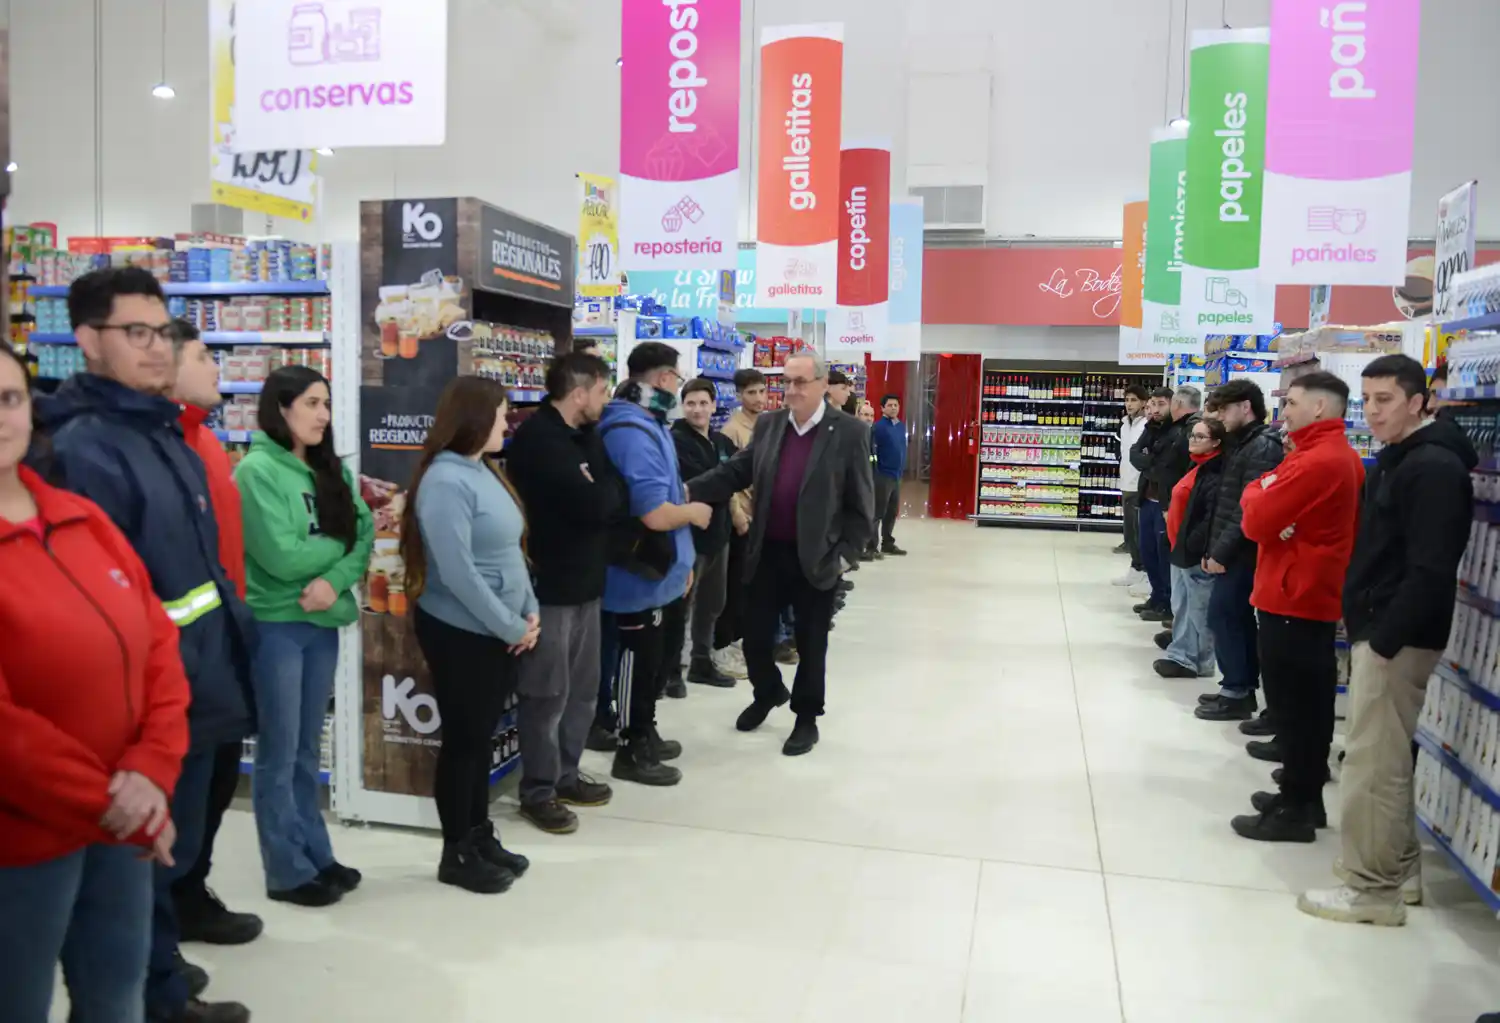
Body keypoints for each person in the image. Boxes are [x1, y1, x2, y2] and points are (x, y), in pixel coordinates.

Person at [35, 267, 254, 1023]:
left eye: (163, 331)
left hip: (184, 692)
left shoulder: (160, 432)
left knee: (168, 856)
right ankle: (156, 997)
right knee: (139, 866)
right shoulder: (86, 448)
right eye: (136, 332)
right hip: (138, 712)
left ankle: (161, 980)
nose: (157, 347)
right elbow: (104, 607)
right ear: (89, 340)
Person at [0, 342, 191, 1023]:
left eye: (10, 399)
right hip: (24, 840)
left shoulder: (83, 519)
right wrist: (118, 801)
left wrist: (153, 766)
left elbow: (159, 646)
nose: (1, 418)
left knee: (116, 998)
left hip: (119, 829)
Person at [1299, 355, 1475, 924]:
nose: (1373, 411)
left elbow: (1431, 566)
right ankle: (1398, 871)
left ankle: (1370, 891)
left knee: (1371, 764)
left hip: (1397, 638)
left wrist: (1383, 638)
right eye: (1368, 399)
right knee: (1384, 757)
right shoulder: (1402, 460)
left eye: (1386, 400)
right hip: (1384, 628)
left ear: (1419, 401)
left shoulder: (1433, 468)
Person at [686, 353, 875, 756]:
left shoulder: (849, 433)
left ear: (823, 384)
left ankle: (806, 718)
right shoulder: (770, 426)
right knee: (755, 638)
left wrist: (844, 558)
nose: (791, 390)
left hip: (817, 559)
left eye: (801, 382)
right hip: (767, 552)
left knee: (810, 643)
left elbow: (862, 506)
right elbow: (737, 471)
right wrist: (688, 490)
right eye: (787, 382)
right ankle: (768, 690)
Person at [236, 366, 372, 906]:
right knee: (279, 749)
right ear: (282, 408)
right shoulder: (255, 472)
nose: (323, 415)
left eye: (326, 403)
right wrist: (337, 552)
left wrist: (333, 580)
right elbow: (280, 555)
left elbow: (364, 533)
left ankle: (316, 854)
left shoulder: (327, 468)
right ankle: (286, 870)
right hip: (278, 625)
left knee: (303, 750)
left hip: (320, 622)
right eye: (313, 403)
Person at [402, 377, 537, 892]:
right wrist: (509, 624)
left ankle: (479, 834)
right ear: (477, 419)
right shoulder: (445, 481)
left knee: (479, 741)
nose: (508, 423)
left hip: (498, 631)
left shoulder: (482, 471)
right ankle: (455, 851)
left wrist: (527, 612)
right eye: (503, 414)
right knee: (464, 742)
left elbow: (508, 551)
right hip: (460, 632)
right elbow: (458, 572)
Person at [1229, 371, 1363, 844]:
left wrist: (1264, 500)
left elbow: (1257, 516)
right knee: (1298, 705)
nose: (1283, 412)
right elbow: (1261, 497)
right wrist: (1264, 497)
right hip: (1296, 592)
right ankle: (1300, 792)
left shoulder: (1320, 460)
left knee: (1299, 706)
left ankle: (1299, 806)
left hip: (1298, 595)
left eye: (1292, 404)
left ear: (1321, 408)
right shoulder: (1314, 455)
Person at [166, 323, 263, 947]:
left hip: (225, 630)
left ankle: (192, 892)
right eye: (204, 357)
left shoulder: (201, 438)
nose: (218, 368)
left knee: (219, 776)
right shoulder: (162, 444)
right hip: (185, 647)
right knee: (187, 786)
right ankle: (172, 910)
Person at [506, 352, 625, 836]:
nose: (606, 400)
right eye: (601, 391)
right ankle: (537, 790)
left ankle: (566, 774)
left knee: (580, 691)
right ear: (580, 392)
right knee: (546, 694)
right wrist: (601, 493)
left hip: (589, 585)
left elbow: (614, 491)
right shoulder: (539, 440)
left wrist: (601, 491)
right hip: (550, 590)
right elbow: (595, 503)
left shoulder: (587, 436)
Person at [599, 342, 711, 786]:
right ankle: (631, 745)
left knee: (653, 663)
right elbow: (653, 512)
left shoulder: (650, 422)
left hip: (659, 572)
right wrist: (694, 513)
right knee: (636, 661)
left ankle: (645, 729)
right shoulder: (631, 428)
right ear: (663, 379)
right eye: (677, 378)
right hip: (636, 574)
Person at [1194, 379, 1284, 723]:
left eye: (1224, 409)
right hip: (1233, 548)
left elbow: (1247, 509)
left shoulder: (1261, 447)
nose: (1220, 417)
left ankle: (1238, 690)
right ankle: (1236, 686)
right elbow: (1226, 501)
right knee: (1229, 617)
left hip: (1245, 551)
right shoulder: (1242, 444)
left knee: (1226, 614)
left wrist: (1221, 552)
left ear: (1245, 407)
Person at [663, 377, 739, 695]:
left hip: (719, 534)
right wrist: (722, 484)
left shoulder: (721, 443)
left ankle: (700, 662)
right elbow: (697, 481)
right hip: (687, 536)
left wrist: (722, 487)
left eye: (703, 403)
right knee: (681, 605)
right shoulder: (675, 440)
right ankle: (669, 672)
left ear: (713, 405)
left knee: (712, 603)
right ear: (683, 406)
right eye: (691, 403)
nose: (697, 409)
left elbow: (733, 477)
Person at [1154, 416, 1227, 679]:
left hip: (1193, 553)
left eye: (1200, 437)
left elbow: (1210, 517)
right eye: (1192, 436)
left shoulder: (1216, 473)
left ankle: (1196, 659)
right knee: (1183, 605)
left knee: (1198, 609)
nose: (1192, 441)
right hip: (1181, 550)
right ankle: (1182, 652)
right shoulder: (1197, 465)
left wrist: (1191, 544)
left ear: (1217, 442)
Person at [1130, 386, 1200, 622]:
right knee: (1147, 551)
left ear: (1173, 405)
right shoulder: (1151, 428)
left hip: (1165, 503)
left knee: (1163, 555)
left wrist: (1149, 463)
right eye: (1154, 404)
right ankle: (1156, 596)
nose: (1156, 409)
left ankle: (1167, 604)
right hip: (1147, 499)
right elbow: (1134, 453)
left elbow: (1166, 467)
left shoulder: (1180, 431)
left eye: (1162, 404)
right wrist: (1150, 462)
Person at [715, 369, 766, 665]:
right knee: (736, 586)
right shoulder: (732, 431)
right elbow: (727, 479)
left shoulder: (769, 426)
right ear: (738, 396)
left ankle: (747, 643)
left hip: (763, 516)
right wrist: (737, 515)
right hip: (743, 519)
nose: (758, 398)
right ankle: (727, 644)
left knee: (755, 586)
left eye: (761, 391)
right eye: (751, 393)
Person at [1114, 384, 1150, 583]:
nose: (1129, 404)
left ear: (1144, 403)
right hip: (1126, 482)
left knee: (1140, 533)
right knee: (1130, 533)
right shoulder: (1124, 424)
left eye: (1134, 400)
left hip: (1140, 484)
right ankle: (1135, 569)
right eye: (1127, 400)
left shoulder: (1146, 425)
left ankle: (1145, 573)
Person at [870, 393, 908, 556]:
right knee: (878, 512)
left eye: (896, 405)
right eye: (890, 405)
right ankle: (871, 546)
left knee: (891, 511)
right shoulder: (878, 427)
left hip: (896, 476)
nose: (893, 408)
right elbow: (873, 450)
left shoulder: (900, 426)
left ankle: (888, 543)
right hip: (882, 475)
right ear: (882, 408)